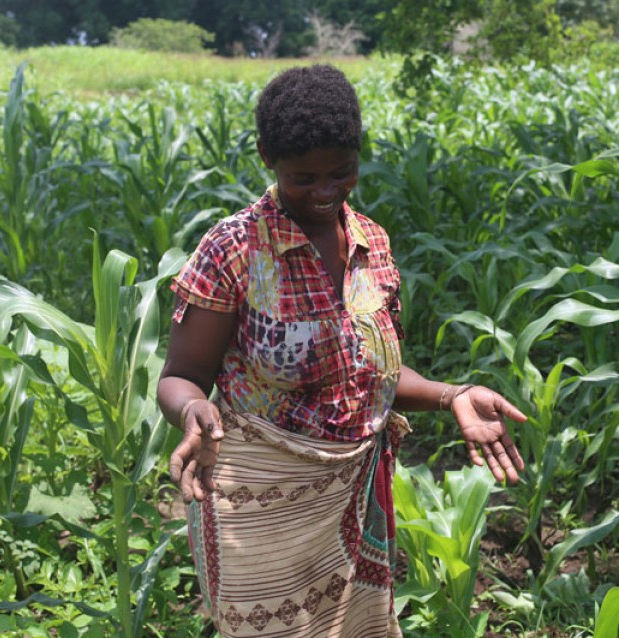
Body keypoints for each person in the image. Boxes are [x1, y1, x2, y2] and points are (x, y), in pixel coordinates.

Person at [157, 64, 525, 638]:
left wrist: (454, 395)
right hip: (257, 506)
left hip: (349, 502)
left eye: (342, 172)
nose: (326, 192)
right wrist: (191, 409)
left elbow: (367, 372)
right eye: (305, 177)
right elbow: (180, 375)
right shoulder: (234, 250)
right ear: (267, 158)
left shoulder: (370, 243)